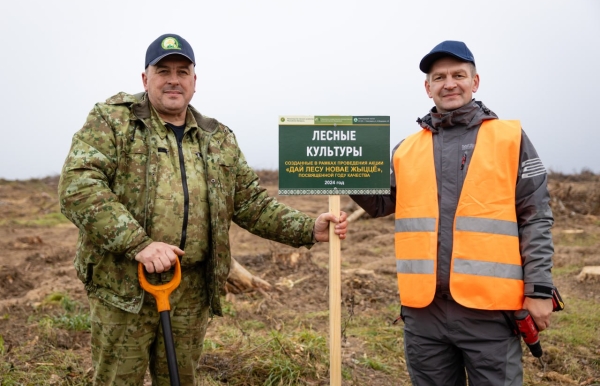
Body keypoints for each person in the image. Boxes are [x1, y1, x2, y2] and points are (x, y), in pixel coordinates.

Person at [58, 33, 348, 385]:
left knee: (180, 379)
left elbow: (251, 203)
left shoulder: (218, 138)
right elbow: (79, 187)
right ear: (145, 78)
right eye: (163, 70)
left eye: (183, 71)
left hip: (190, 293)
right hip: (123, 290)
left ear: (195, 80)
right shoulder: (113, 121)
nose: (173, 79)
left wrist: (307, 228)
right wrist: (140, 244)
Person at [351, 40, 555, 385]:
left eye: (459, 75)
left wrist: (538, 290)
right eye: (439, 77)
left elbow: (535, 215)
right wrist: (344, 173)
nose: (449, 83)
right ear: (427, 87)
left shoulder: (509, 139)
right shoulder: (406, 149)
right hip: (423, 314)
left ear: (474, 82)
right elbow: (382, 203)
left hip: (490, 313)